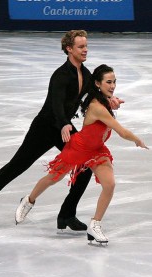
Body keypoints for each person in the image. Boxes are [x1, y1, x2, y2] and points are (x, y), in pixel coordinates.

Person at [0, 30, 123, 230]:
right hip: (45, 128)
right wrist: (64, 123)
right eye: (80, 47)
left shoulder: (85, 74)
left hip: (64, 129)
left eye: (86, 46)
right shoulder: (60, 75)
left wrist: (108, 99)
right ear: (69, 49)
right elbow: (56, 104)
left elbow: (91, 94)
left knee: (85, 166)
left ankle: (67, 214)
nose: (85, 50)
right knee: (17, 165)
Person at [15, 64, 148, 244]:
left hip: (97, 150)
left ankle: (95, 225)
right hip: (78, 148)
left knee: (109, 184)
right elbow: (122, 132)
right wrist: (137, 140)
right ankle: (28, 200)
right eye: (108, 82)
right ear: (98, 84)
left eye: (114, 81)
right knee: (53, 178)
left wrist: (112, 101)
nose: (113, 85)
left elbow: (107, 107)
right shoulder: (97, 107)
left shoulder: (103, 100)